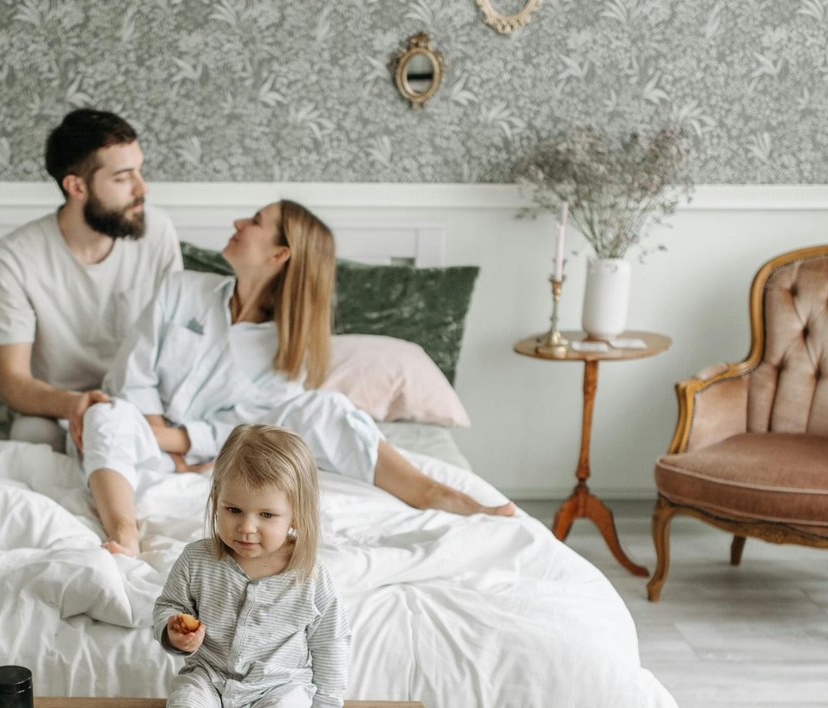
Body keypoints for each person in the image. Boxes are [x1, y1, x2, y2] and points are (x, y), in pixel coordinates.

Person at [80, 199, 514, 555]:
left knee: (324, 408)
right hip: (142, 448)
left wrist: (183, 447)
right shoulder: (181, 289)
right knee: (106, 414)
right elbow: (134, 378)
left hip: (221, 460)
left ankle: (434, 493)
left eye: (254, 222)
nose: (237, 222)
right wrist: (163, 442)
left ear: (279, 254)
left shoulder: (291, 351)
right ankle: (125, 534)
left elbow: (243, 427)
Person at [153, 424, 351, 708]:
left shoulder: (311, 576)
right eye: (233, 510)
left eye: (266, 514)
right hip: (211, 674)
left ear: (296, 516)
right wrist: (174, 633)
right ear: (215, 500)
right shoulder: (198, 560)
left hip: (278, 688)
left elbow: (331, 643)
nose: (246, 527)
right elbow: (168, 608)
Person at [0, 109, 182, 451]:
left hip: (139, 400)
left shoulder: (157, 231)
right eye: (122, 178)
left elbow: (176, 344)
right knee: (31, 440)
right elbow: (13, 382)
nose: (141, 188)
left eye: (140, 170)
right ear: (76, 186)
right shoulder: (13, 258)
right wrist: (75, 405)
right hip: (54, 407)